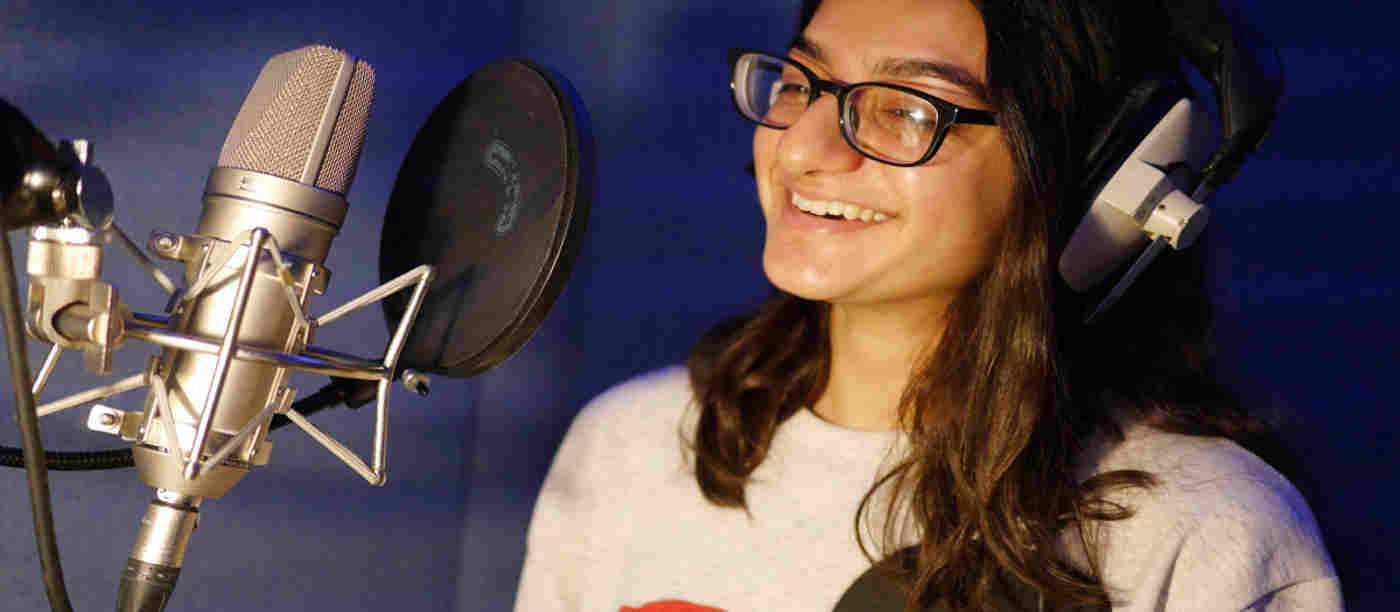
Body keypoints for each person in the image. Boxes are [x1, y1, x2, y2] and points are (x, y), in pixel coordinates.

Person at [514, 0, 1342, 610]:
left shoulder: (1204, 533)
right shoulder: (629, 447)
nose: (804, 149)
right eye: (803, 83)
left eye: (909, 111)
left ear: (1095, 183)